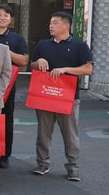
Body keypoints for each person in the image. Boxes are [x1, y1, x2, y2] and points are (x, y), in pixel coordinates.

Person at [30, 11, 93, 182]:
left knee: (70, 134)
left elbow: (88, 69)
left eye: (55, 23)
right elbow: (32, 65)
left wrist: (65, 70)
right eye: (50, 23)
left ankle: (72, 167)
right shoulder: (43, 45)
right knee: (43, 133)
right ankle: (42, 163)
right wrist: (38, 62)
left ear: (66, 25)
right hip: (45, 95)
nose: (51, 25)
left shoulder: (80, 46)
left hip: (68, 97)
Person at [0, 4, 28, 169]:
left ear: (10, 19)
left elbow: (23, 61)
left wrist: (4, 50)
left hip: (7, 86)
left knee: (6, 120)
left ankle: (4, 154)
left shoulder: (17, 39)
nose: (2, 17)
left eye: (6, 15)